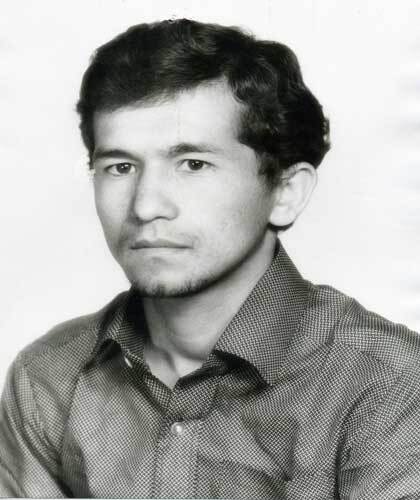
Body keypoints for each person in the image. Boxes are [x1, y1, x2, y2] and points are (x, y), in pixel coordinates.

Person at [1, 18, 419, 499]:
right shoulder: (49, 377)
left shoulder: (389, 384)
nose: (146, 206)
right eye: (120, 167)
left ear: (285, 191)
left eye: (193, 164)